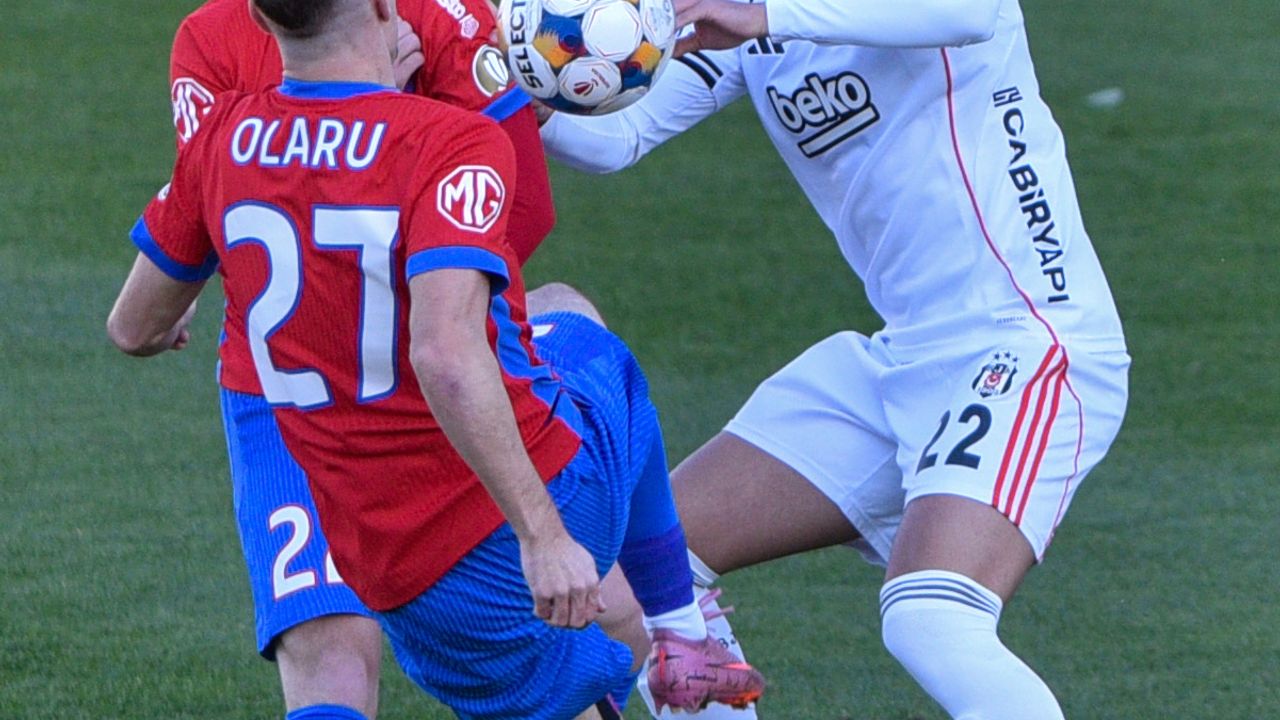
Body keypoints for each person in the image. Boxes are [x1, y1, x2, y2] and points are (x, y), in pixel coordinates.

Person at [106, 0, 764, 718]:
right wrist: (386, 135)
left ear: (265, 22)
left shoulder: (217, 102)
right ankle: (682, 629)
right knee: (579, 330)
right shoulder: (443, 88)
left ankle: (662, 633)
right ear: (380, 8)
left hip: (316, 435)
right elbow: (459, 327)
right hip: (430, 435)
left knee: (339, 660)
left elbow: (137, 320)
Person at [541, 0, 1131, 717]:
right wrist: (519, 84)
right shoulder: (750, 23)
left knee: (931, 619)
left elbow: (971, 12)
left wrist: (767, 16)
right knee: (643, 573)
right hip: (902, 358)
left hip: (1029, 341)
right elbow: (618, 136)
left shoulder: (772, 15)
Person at [163, 0, 554, 716]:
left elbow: (521, 209)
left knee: (569, 634)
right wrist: (372, 116)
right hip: (285, 391)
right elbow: (215, 201)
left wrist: (378, 126)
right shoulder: (210, 37)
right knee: (329, 649)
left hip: (429, 387)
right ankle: (680, 614)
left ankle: (682, 622)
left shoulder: (446, 17)